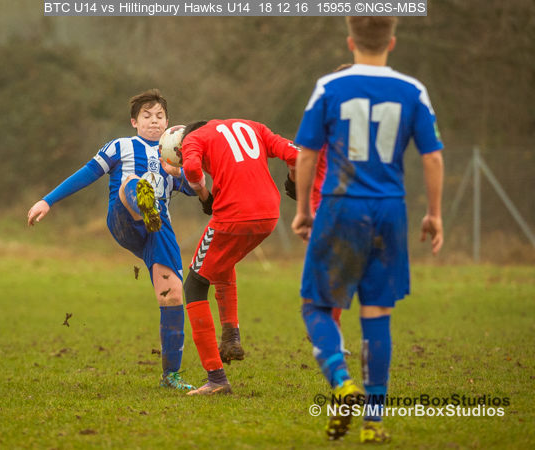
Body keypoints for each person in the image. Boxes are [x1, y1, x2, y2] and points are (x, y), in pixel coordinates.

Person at [292, 17, 444, 443]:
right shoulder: (413, 90)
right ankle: (373, 424)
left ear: (350, 41)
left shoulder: (329, 87)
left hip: (341, 206)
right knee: (377, 314)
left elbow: (307, 153)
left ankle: (342, 383)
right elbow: (433, 157)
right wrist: (434, 214)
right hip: (389, 210)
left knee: (315, 305)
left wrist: (303, 210)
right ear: (391, 42)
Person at [27, 89, 198, 391]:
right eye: (147, 116)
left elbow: (198, 187)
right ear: (134, 122)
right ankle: (144, 205)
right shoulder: (121, 146)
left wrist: (185, 171)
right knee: (133, 182)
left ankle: (171, 376)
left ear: (168, 122)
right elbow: (88, 173)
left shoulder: (173, 157)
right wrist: (48, 200)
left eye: (160, 116)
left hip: (159, 230)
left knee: (172, 295)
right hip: (124, 217)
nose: (154, 121)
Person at [165, 119, 298, 395]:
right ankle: (231, 338)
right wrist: (294, 180)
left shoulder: (193, 138)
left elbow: (192, 168)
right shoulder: (253, 126)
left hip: (232, 217)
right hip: (269, 216)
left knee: (194, 285)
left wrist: (204, 195)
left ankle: (216, 378)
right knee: (222, 263)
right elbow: (296, 153)